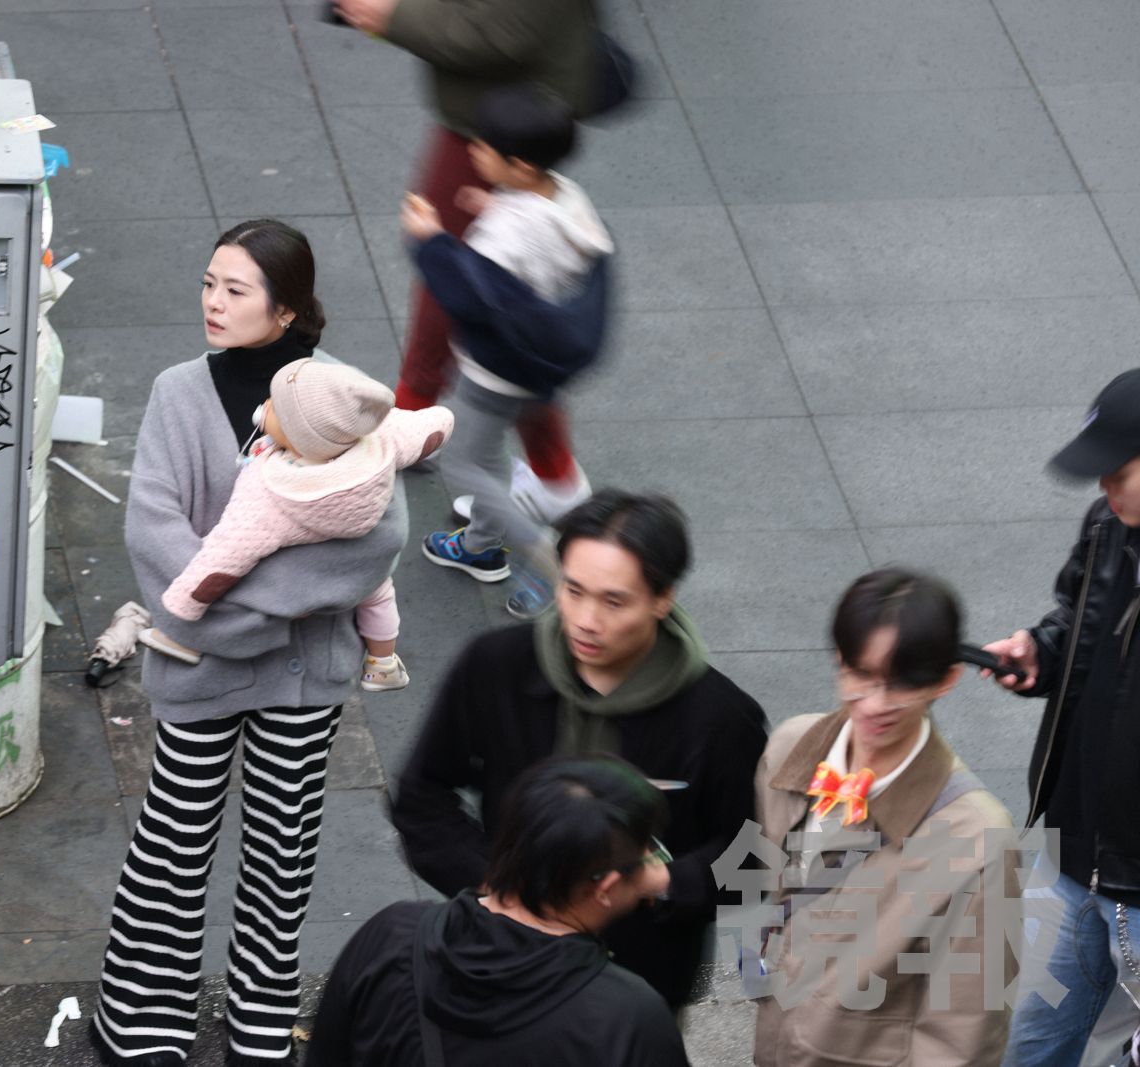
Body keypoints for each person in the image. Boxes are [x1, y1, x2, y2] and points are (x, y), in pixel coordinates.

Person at [88, 219, 410, 1066]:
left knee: (282, 850)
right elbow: (153, 532)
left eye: (235, 289)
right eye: (209, 283)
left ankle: (261, 1017)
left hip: (293, 675)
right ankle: (140, 1015)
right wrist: (274, 614)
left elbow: (378, 539)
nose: (213, 302)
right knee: (173, 840)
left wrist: (230, 610)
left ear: (287, 308)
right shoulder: (176, 392)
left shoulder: (342, 394)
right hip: (205, 666)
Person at [391, 488, 769, 1008]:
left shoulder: (720, 719)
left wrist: (657, 882)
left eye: (614, 601)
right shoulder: (497, 665)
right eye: (573, 590)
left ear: (663, 598)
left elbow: (753, 857)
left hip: (637, 985)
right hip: (499, 956)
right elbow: (421, 795)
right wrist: (501, 890)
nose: (586, 620)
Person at [332, 0, 599, 523]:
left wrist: (394, 18)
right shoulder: (549, 206)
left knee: (475, 459)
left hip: (496, 373)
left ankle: (540, 488)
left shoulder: (512, 217)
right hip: (504, 104)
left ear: (513, 167)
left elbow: (500, 29)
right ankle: (533, 479)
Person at [750, 568, 1018, 1066]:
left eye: (902, 684)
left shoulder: (980, 840)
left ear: (947, 679)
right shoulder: (789, 749)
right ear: (840, 659)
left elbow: (963, 1035)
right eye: (861, 675)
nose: (876, 703)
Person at [308, 756, 689, 1066]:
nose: (656, 871)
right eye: (649, 856)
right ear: (604, 888)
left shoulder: (388, 938)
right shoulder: (628, 1020)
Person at [404, 84, 612, 617]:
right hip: (539, 362)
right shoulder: (564, 195)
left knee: (466, 465)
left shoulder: (505, 235)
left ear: (518, 164)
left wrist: (429, 241)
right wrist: (498, 204)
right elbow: (537, 239)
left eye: (483, 146)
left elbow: (466, 294)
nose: (473, 150)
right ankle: (479, 546)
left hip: (495, 372)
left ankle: (549, 559)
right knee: (492, 454)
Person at [986, 368, 1140, 1065]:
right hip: (1073, 853)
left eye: (1118, 469)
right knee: (1032, 1043)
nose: (1103, 486)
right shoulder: (1108, 526)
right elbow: (1077, 618)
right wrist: (1040, 653)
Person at [141, 357, 453, 693]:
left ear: (299, 434)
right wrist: (443, 419)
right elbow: (430, 428)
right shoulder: (380, 442)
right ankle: (383, 663)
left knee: (227, 566)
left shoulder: (270, 497)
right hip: (350, 542)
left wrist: (181, 608)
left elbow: (220, 559)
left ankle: (186, 641)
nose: (265, 406)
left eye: (275, 408)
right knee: (378, 594)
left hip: (291, 562)